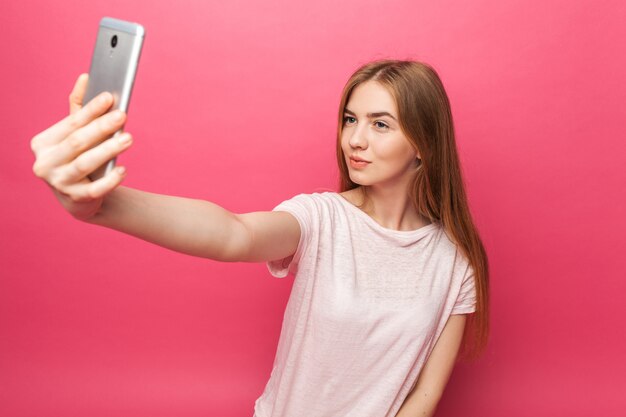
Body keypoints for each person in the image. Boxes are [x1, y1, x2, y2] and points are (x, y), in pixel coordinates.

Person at [31, 59, 490, 417]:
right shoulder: (321, 218)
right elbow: (234, 233)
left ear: (423, 145)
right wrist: (103, 204)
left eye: (380, 124)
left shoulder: (453, 263)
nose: (355, 139)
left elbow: (425, 397)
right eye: (350, 119)